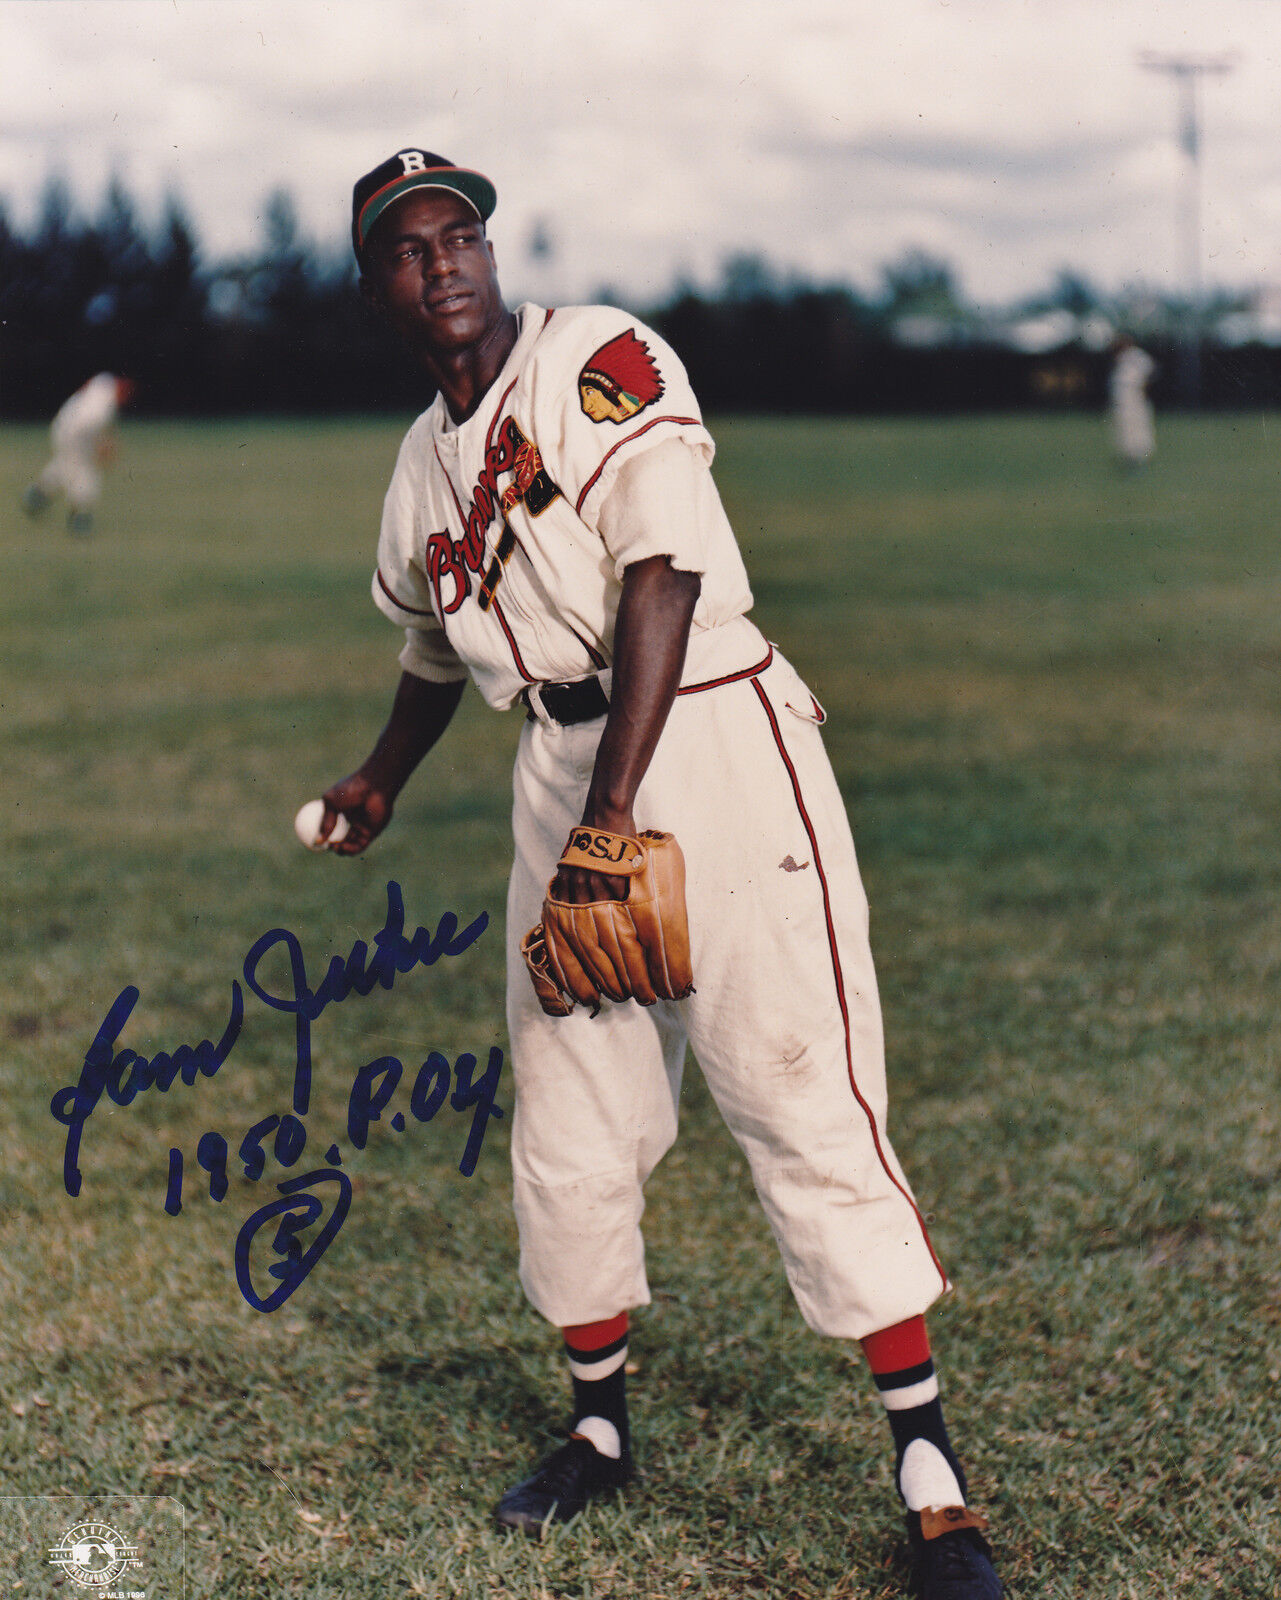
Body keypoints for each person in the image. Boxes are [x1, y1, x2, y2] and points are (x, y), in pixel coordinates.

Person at [319, 149, 1004, 1600]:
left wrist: (616, 815)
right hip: (562, 771)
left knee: (792, 1083)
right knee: (568, 1118)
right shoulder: (419, 467)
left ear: (492, 256)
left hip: (704, 734)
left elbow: (663, 578)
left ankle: (928, 1468)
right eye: (407, 249)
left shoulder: (597, 356)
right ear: (376, 287)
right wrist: (383, 772)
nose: (440, 263)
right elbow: (437, 644)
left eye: (461, 237)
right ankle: (599, 1433)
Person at [22, 372, 134, 536]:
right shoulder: (101, 411)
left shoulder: (103, 382)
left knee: (64, 467)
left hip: (62, 425)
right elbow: (92, 435)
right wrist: (104, 450)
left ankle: (35, 497)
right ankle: (80, 520)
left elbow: (87, 386)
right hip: (75, 435)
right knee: (84, 474)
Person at [1108, 336, 1156, 473]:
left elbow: (1149, 371)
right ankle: (1129, 457)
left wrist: (1144, 389)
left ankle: (1140, 457)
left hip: (1134, 395)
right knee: (1124, 427)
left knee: (1138, 425)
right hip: (1122, 397)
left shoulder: (1136, 355)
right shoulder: (1120, 358)